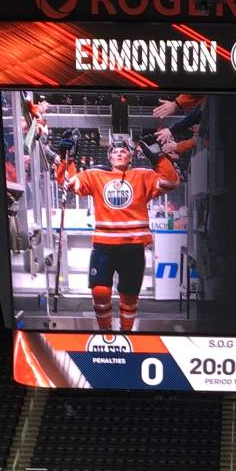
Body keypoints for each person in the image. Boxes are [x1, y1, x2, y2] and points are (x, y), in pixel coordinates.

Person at [55, 135, 179, 332]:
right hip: (104, 246)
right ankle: (106, 332)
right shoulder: (94, 175)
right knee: (100, 292)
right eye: (114, 151)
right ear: (109, 158)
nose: (119, 153)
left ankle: (126, 332)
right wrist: (66, 159)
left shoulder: (143, 175)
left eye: (123, 151)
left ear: (130, 158)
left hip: (133, 246)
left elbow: (171, 182)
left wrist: (159, 158)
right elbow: (67, 183)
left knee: (129, 296)